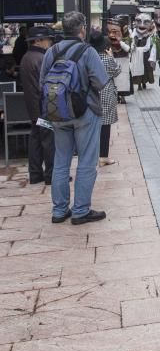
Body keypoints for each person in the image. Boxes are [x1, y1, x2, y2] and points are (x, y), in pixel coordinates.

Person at [40, 11, 108, 225]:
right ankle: (80, 211)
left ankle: (59, 210)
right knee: (87, 162)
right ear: (82, 29)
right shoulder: (88, 52)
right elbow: (101, 82)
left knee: (61, 161)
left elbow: (42, 81)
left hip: (58, 111)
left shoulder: (52, 51)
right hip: (85, 111)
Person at [21, 26, 55, 185]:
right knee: (48, 141)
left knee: (35, 140)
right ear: (38, 40)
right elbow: (47, 85)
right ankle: (51, 175)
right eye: (47, 39)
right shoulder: (41, 58)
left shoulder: (27, 57)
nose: (50, 42)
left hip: (33, 108)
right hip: (43, 108)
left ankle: (35, 174)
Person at [88, 28, 120, 168]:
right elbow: (117, 71)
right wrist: (112, 56)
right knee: (105, 127)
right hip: (106, 94)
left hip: (92, 94)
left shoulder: (88, 58)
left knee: (93, 126)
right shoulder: (106, 58)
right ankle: (103, 157)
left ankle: (93, 155)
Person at [130, 12, 155, 90]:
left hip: (145, 55)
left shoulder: (149, 36)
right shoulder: (133, 34)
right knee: (137, 69)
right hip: (136, 56)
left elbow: (147, 47)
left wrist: (137, 49)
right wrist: (132, 47)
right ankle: (139, 83)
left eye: (146, 22)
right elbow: (131, 43)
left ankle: (144, 82)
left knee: (145, 69)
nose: (142, 25)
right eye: (139, 21)